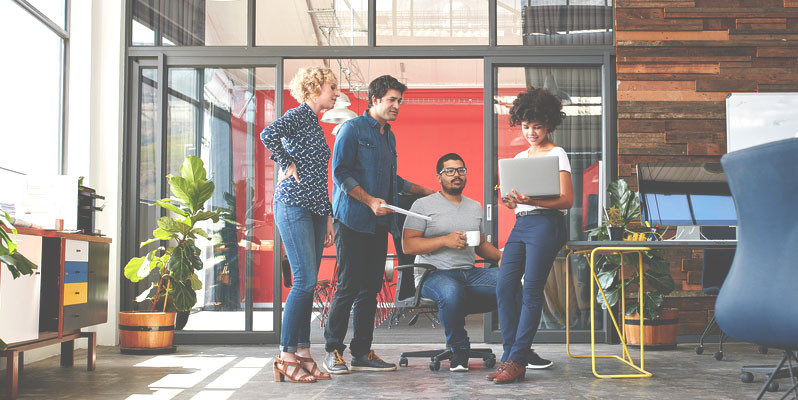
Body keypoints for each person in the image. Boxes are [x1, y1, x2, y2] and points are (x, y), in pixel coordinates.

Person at [324, 75, 435, 374]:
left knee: (371, 288)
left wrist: (425, 191)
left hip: (379, 224)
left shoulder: (389, 136)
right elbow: (340, 172)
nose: (397, 105)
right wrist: (370, 200)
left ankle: (361, 352)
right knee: (348, 286)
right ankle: (333, 350)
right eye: (392, 100)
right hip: (352, 220)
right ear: (375, 100)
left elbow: (390, 179)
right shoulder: (351, 129)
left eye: (400, 101)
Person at [261, 66, 339, 383]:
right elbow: (267, 134)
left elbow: (321, 177)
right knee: (304, 281)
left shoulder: (315, 124)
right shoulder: (298, 115)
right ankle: (285, 355)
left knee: (308, 283)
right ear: (314, 89)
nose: (336, 93)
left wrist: (328, 216)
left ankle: (304, 352)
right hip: (293, 204)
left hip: (316, 209)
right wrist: (286, 162)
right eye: (332, 87)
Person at [491, 87, 574, 384]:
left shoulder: (557, 153)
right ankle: (511, 357)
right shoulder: (519, 156)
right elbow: (516, 203)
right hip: (522, 223)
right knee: (504, 286)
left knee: (531, 290)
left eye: (537, 126)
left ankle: (516, 360)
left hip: (547, 223)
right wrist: (512, 201)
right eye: (526, 126)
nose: (531, 133)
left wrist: (534, 200)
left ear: (548, 124)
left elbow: (567, 200)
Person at [401, 153, 503, 372]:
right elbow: (408, 245)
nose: (456, 175)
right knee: (451, 292)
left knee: (510, 283)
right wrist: (444, 240)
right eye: (449, 171)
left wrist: (500, 257)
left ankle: (518, 351)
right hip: (433, 274)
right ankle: (459, 350)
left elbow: (480, 244)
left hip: (469, 272)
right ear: (439, 177)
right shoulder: (422, 205)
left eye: (461, 170)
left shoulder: (474, 207)